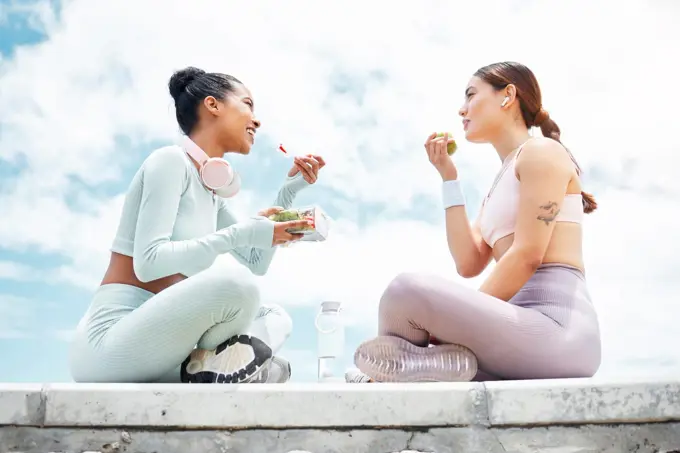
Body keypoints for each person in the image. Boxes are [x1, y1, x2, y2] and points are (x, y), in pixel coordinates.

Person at [69, 66, 326, 384]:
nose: (256, 120)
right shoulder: (169, 161)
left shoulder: (212, 193)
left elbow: (255, 261)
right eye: (247, 104)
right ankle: (225, 366)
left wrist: (288, 193)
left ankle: (208, 367)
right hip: (113, 343)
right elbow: (149, 264)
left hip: (162, 342)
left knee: (274, 316)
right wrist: (243, 231)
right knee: (236, 287)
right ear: (213, 105)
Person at [351, 61, 601, 383]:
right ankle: (419, 369)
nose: (462, 109)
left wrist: (448, 332)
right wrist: (448, 178)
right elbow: (467, 262)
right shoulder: (497, 188)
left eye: (471, 95)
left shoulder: (542, 152)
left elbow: (527, 255)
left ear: (507, 95)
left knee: (405, 291)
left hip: (557, 331)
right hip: (514, 330)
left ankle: (422, 361)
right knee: (397, 306)